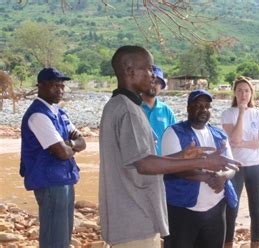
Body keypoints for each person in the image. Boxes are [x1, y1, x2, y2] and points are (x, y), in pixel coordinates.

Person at [99, 46, 240, 247]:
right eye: (148, 69)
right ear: (130, 71)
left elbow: (140, 160)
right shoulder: (128, 111)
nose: (153, 76)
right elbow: (144, 164)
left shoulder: (121, 105)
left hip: (133, 216)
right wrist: (202, 161)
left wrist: (182, 156)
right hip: (135, 217)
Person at [161, 89, 237, 248]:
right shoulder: (173, 132)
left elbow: (232, 166)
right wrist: (207, 177)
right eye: (198, 105)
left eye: (207, 106)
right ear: (188, 108)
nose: (203, 110)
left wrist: (223, 177)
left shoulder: (220, 134)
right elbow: (172, 168)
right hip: (183, 209)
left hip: (216, 208)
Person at [20, 67, 87, 248]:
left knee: (64, 234)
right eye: (53, 85)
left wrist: (69, 144)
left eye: (61, 85)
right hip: (49, 181)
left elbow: (82, 141)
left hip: (64, 178)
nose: (60, 90)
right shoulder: (38, 115)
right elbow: (61, 153)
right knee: (54, 237)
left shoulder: (58, 112)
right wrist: (69, 147)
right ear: (40, 86)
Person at [221, 76, 259, 248]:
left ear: (251, 94)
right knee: (231, 208)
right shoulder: (228, 114)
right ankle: (228, 244)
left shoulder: (257, 114)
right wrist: (241, 112)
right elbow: (233, 139)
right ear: (234, 93)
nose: (243, 94)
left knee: (256, 209)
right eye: (240, 90)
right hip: (235, 167)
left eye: (247, 91)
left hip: (256, 167)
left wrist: (243, 143)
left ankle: (255, 244)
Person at [141, 64, 176, 155]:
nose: (153, 84)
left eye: (157, 82)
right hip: (139, 164)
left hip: (162, 164)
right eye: (150, 81)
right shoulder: (134, 108)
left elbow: (174, 137)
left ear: (161, 86)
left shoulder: (166, 111)